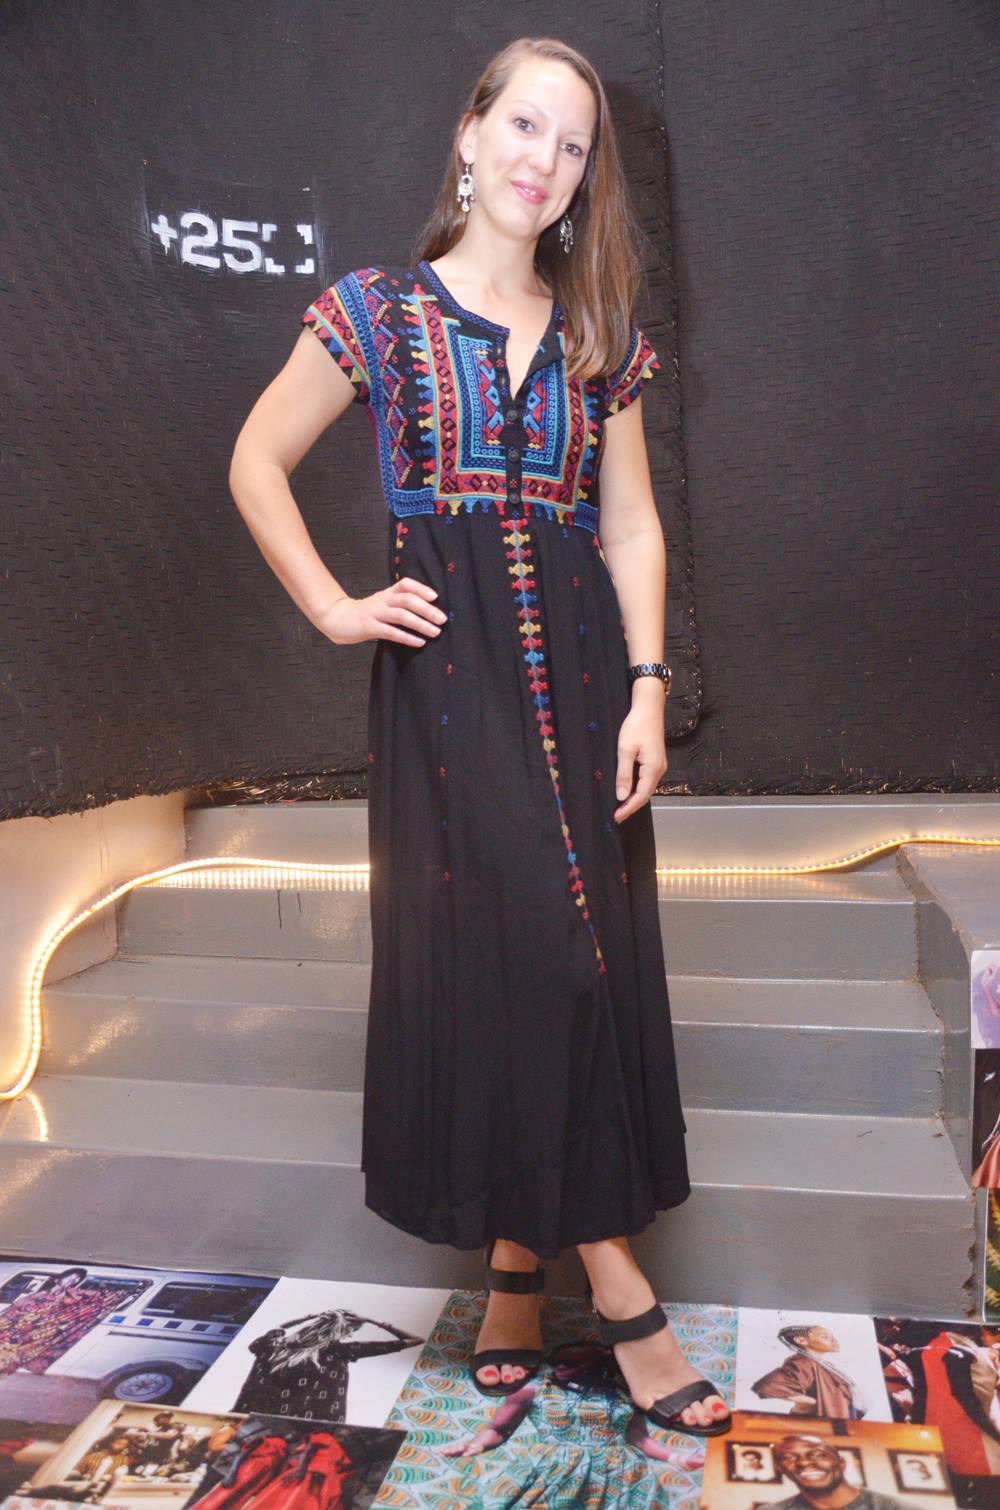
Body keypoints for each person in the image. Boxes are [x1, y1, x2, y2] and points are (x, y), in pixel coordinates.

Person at [228, 34, 729, 1440]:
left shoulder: (598, 336)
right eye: (523, 126)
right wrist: (333, 606)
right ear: (469, 133)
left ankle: (515, 1268)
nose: (542, 160)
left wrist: (648, 688)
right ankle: (621, 1291)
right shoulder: (377, 312)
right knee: (534, 958)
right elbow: (256, 457)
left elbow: (631, 526)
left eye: (571, 145)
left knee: (571, 955)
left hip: (582, 678)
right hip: (447, 688)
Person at [753, 1324, 869, 1419]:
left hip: (844, 1426)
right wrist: (809, 1402)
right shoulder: (803, 1363)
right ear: (801, 1340)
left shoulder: (827, 1366)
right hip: (824, 1427)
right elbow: (769, 1386)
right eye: (825, 1336)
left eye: (833, 1336)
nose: (834, 1340)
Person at [769, 1435, 909, 1510]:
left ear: (841, 1463)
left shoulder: (893, 1507)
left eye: (817, 1454)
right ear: (780, 1468)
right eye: (789, 1457)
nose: (803, 1462)